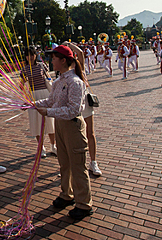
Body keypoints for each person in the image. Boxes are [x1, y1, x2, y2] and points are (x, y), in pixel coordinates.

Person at [35, 45, 93, 220]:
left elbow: (73, 110)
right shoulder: (59, 81)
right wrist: (35, 103)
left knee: (78, 165)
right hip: (61, 124)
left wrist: (48, 112)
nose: (51, 61)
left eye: (54, 58)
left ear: (63, 60)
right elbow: (52, 100)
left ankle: (84, 203)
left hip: (73, 126)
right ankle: (67, 194)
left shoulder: (75, 82)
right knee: (64, 163)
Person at [63, 43, 102, 177]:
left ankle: (93, 162)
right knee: (73, 136)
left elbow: (80, 53)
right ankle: (73, 165)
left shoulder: (80, 69)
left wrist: (68, 44)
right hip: (73, 105)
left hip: (85, 103)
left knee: (90, 133)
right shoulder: (64, 73)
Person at [19, 47, 56, 157]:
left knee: (50, 121)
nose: (30, 57)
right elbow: (21, 85)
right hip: (33, 95)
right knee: (36, 122)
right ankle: (41, 147)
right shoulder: (25, 69)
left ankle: (53, 146)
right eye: (27, 55)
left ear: (36, 55)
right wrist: (25, 95)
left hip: (45, 93)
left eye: (32, 54)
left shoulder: (41, 65)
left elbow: (49, 79)